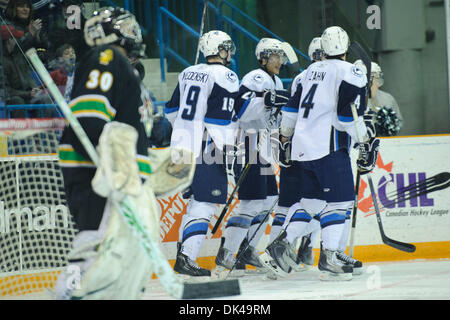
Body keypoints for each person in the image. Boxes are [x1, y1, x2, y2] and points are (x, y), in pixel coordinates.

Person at [54, 7, 194, 299]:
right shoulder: (106, 57)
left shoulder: (123, 67)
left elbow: (125, 131)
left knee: (127, 255)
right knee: (96, 246)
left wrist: (149, 164)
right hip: (98, 175)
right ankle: (65, 295)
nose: (134, 33)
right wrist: (114, 167)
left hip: (116, 175)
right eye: (126, 27)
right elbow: (89, 118)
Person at [262, 26, 379, 281]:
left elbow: (290, 112)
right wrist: (364, 140)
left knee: (311, 202)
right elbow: (348, 115)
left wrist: (285, 138)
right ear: (346, 49)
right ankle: (329, 257)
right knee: (341, 202)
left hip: (304, 149)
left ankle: (282, 242)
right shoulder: (351, 71)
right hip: (329, 148)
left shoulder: (308, 73)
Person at [164, 30, 239, 277]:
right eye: (226, 47)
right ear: (218, 50)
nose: (229, 52)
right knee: (205, 204)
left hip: (183, 147)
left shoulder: (187, 72)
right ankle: (187, 258)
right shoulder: (226, 75)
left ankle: (183, 256)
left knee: (196, 204)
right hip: (207, 147)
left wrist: (186, 132)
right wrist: (230, 148)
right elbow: (218, 120)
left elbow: (171, 110)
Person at [213, 38, 290, 275]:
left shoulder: (275, 80)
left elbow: (274, 117)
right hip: (247, 147)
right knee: (251, 203)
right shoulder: (254, 78)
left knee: (267, 202)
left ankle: (247, 249)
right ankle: (226, 253)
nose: (279, 61)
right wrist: (266, 101)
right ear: (263, 58)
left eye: (281, 57)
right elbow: (241, 110)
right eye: (274, 56)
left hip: (264, 151)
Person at [273, 36, 325, 271]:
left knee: (314, 203)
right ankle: (283, 246)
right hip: (305, 150)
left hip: (299, 147)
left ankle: (303, 246)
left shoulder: (304, 77)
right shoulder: (318, 77)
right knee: (308, 203)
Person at [1, 0, 53, 116]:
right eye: (21, 6)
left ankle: (45, 133)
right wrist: (30, 34)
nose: (25, 9)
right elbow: (19, 47)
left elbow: (46, 47)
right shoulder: (7, 26)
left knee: (46, 98)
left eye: (27, 7)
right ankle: (22, 134)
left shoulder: (31, 24)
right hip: (15, 95)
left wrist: (37, 36)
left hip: (27, 89)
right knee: (17, 102)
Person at [354, 60, 402, 136]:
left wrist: (388, 127)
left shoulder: (387, 98)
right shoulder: (350, 100)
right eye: (374, 79)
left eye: (378, 80)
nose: (377, 84)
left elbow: (398, 123)